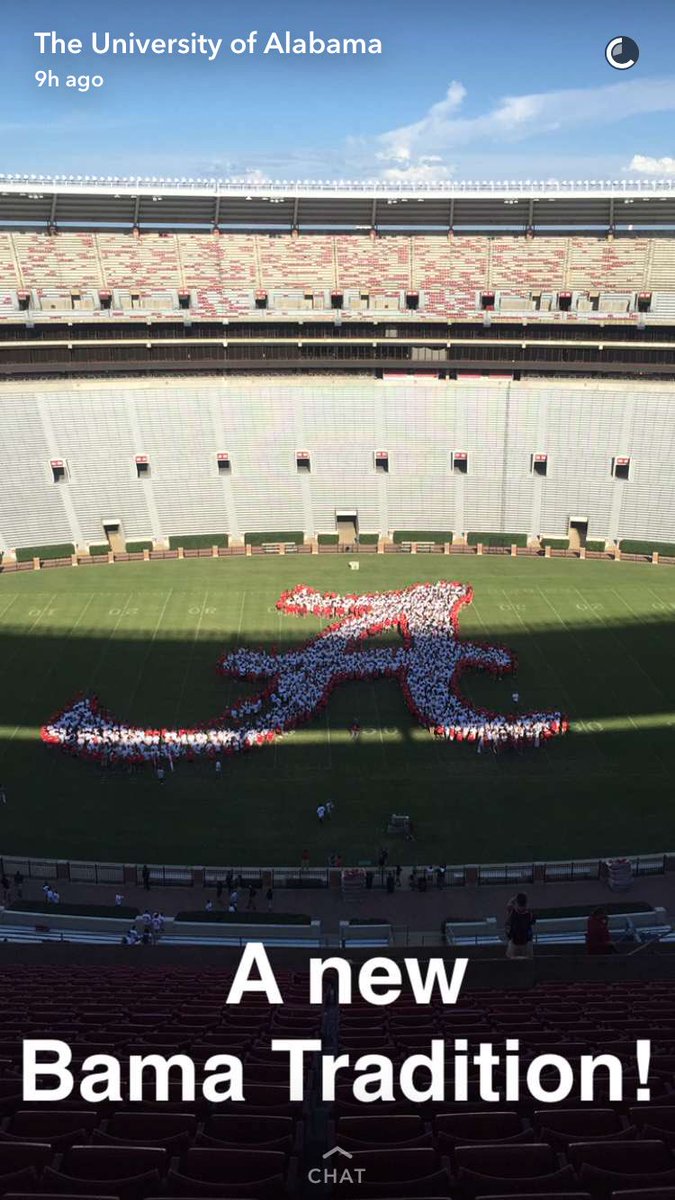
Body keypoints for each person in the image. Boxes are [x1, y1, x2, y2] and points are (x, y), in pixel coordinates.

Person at [506, 893, 535, 959]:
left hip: (514, 943)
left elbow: (509, 905)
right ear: (526, 903)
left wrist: (514, 898)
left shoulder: (513, 912)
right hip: (526, 943)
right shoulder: (530, 914)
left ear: (517, 903)